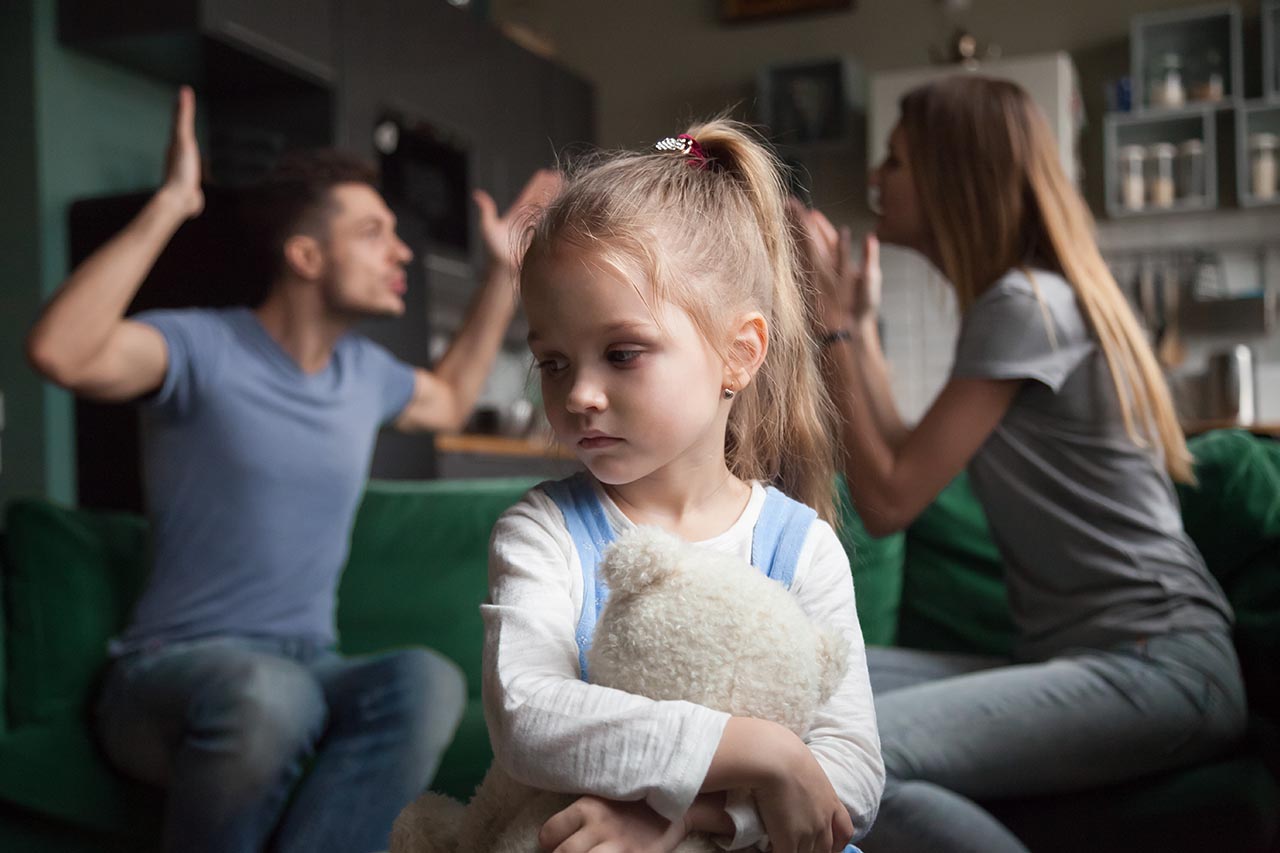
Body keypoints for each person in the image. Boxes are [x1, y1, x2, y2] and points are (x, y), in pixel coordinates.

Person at [25, 86, 560, 853]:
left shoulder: (362, 372)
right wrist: (174, 202)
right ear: (306, 255)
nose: (402, 250)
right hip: (167, 675)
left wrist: (503, 272)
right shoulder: (200, 349)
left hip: (310, 667)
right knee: (269, 697)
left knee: (424, 680)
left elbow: (445, 400)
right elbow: (61, 351)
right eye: (374, 232)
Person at [793, 75, 1247, 853]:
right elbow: (908, 448)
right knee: (803, 678)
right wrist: (858, 328)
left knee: (847, 764)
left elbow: (889, 499)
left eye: (896, 162)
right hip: (1092, 657)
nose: (876, 179)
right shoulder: (1020, 303)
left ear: (951, 176)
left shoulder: (1023, 304)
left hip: (1160, 666)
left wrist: (828, 327)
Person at [482, 122, 884, 853]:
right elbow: (527, 713)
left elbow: (852, 771)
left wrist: (680, 822)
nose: (582, 395)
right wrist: (763, 751)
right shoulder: (542, 531)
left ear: (739, 353)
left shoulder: (804, 548)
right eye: (554, 363)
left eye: (622, 353)